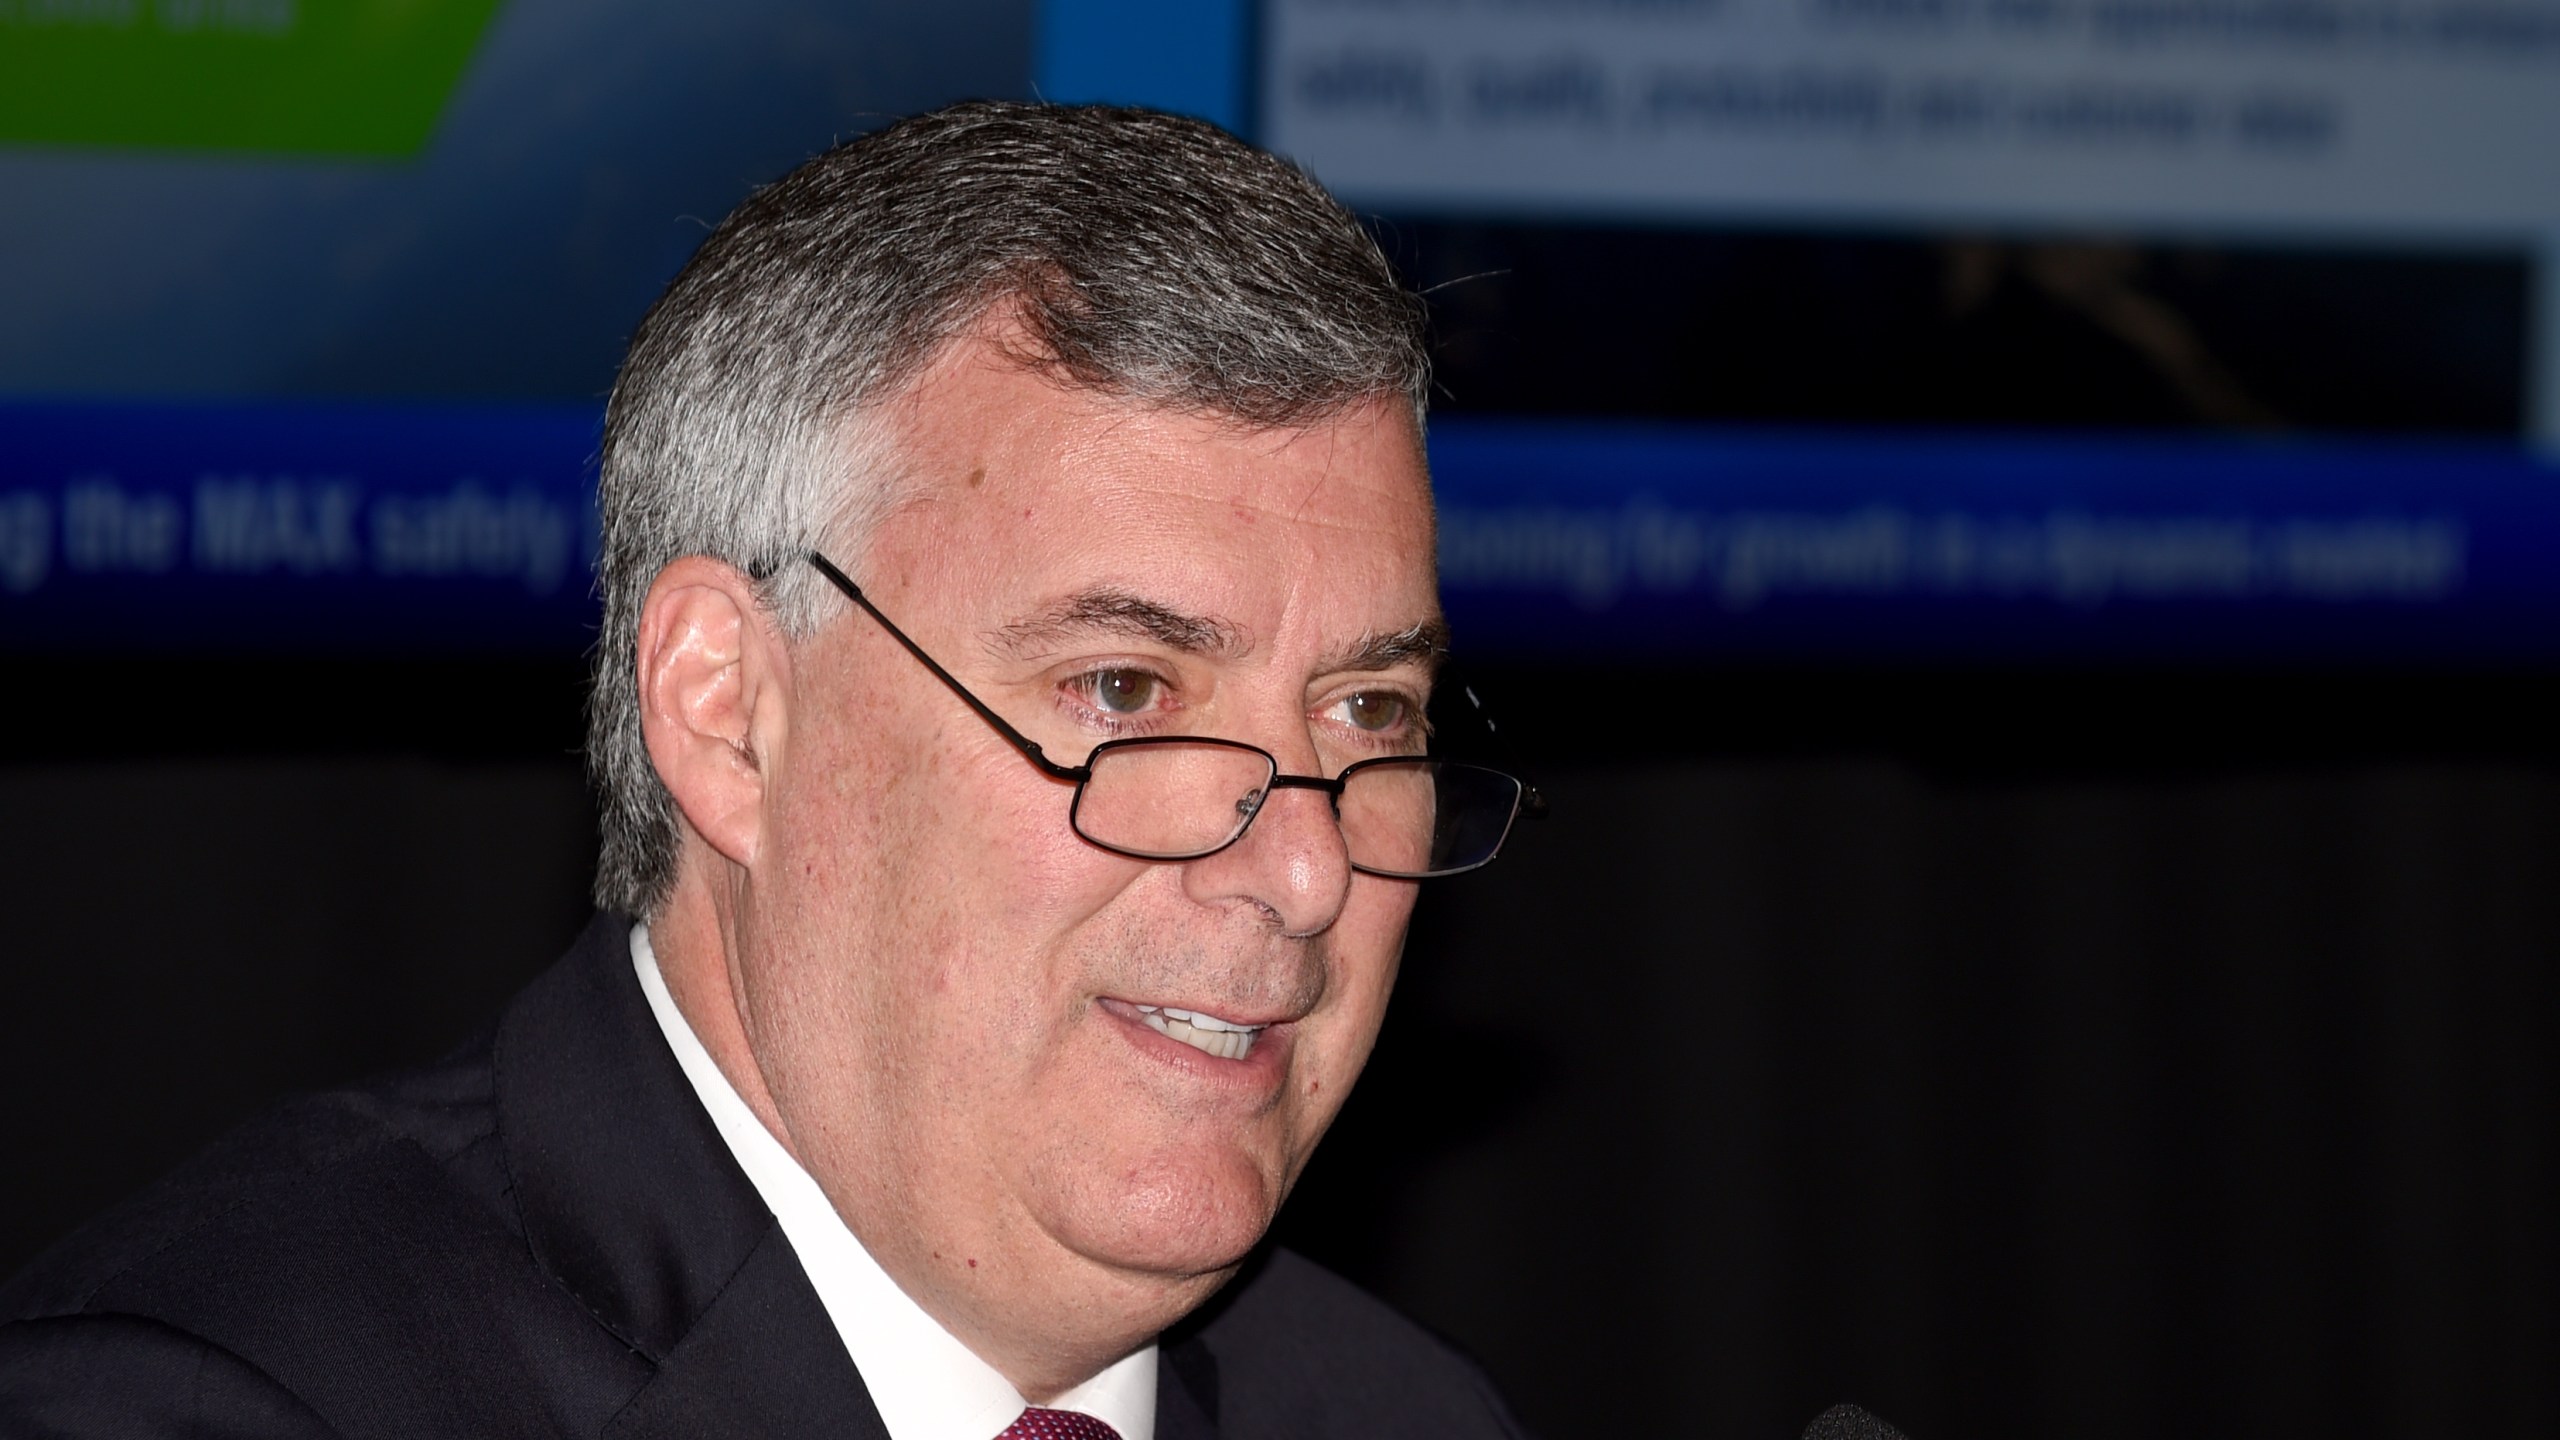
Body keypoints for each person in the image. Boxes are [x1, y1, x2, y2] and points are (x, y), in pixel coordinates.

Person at [0, 101, 1541, 1437]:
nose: (1307, 868)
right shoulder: (220, 1397)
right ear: (729, 714)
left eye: (1369, 716)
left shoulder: (1406, 1414)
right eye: (1126, 688)